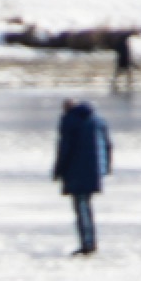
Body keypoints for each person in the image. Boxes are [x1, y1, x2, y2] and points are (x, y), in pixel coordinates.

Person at [53, 99, 111, 257]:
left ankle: (86, 244)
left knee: (80, 208)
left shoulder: (70, 121)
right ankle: (91, 242)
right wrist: (105, 168)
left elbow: (65, 148)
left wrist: (58, 171)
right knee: (87, 207)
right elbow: (107, 145)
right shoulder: (97, 119)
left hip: (76, 171)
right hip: (94, 171)